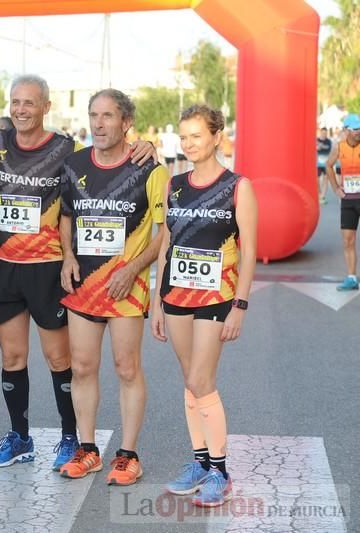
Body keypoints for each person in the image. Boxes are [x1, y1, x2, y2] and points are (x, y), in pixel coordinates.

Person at [0, 75, 158, 471]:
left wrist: (144, 144)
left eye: (30, 102)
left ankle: (70, 438)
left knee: (63, 359)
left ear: (46, 107)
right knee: (12, 356)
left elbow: (107, 160)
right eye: (15, 102)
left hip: (49, 267)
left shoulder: (68, 150)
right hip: (6, 265)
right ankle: (20, 437)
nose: (21, 109)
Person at [58, 89, 169, 484]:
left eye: (108, 116)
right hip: (83, 284)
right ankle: (88, 450)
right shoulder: (73, 164)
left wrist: (134, 268)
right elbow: (67, 216)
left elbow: (164, 233)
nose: (99, 124)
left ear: (126, 123)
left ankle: (128, 454)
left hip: (127, 286)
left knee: (126, 368)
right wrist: (67, 255)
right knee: (83, 366)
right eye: (94, 115)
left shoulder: (150, 170)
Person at [151, 104, 257, 507]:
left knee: (201, 379)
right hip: (176, 294)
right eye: (184, 136)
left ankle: (220, 471)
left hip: (217, 296)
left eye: (197, 135)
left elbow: (249, 252)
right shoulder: (173, 185)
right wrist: (157, 302)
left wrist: (240, 306)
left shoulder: (238, 187)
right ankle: (199, 462)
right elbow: (166, 246)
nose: (189, 143)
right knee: (189, 379)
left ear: (217, 136)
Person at [326, 113, 360, 291]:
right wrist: (335, 188)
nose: (358, 132)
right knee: (348, 240)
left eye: (359, 128)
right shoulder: (339, 147)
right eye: (354, 129)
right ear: (346, 130)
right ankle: (352, 277)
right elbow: (328, 165)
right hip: (348, 200)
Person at [317, 127, 333, 205]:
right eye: (323, 133)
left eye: (325, 133)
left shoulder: (329, 141)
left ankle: (323, 196)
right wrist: (318, 146)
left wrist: (320, 146)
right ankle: (319, 194)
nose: (324, 135)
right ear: (320, 133)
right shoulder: (316, 140)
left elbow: (328, 149)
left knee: (325, 179)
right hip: (317, 163)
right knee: (316, 179)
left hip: (326, 163)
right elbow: (314, 148)